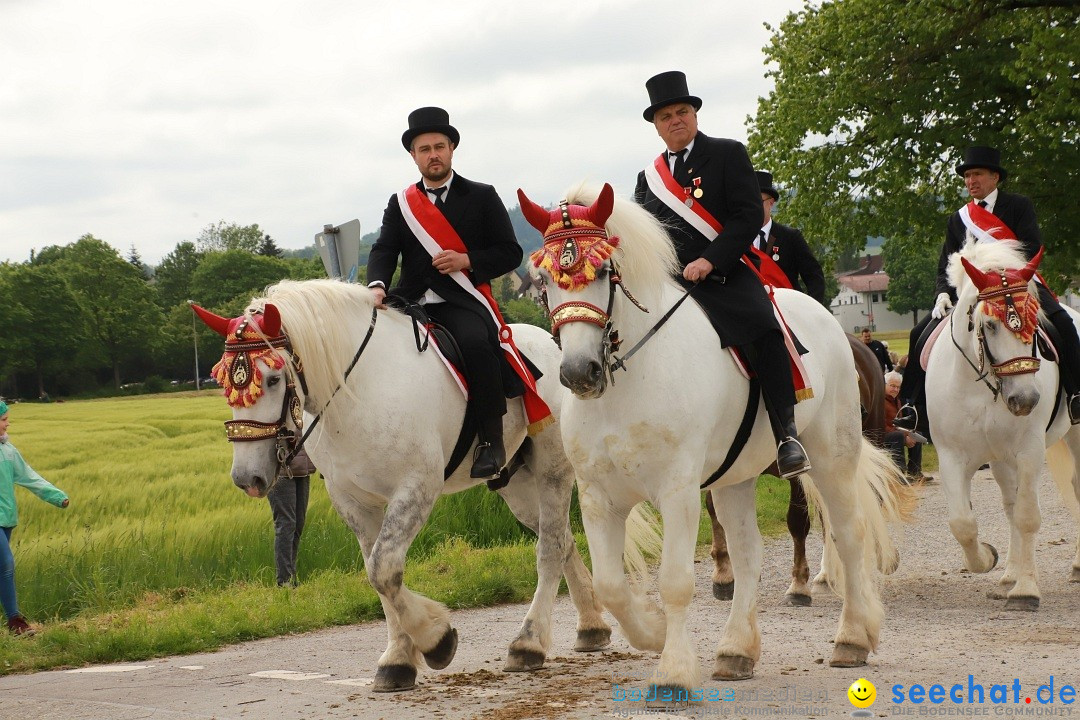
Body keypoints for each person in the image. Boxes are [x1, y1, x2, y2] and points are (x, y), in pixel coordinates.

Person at [633, 71, 810, 478]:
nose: (676, 119)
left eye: (682, 111)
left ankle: (787, 435)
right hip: (671, 284)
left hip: (724, 275)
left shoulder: (728, 153)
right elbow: (643, 235)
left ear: (694, 114)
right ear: (657, 126)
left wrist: (711, 260)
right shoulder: (648, 178)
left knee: (765, 328)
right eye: (666, 116)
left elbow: (748, 215)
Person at [366, 107, 532, 479]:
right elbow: (384, 250)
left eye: (439, 146)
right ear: (413, 155)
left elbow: (510, 251)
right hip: (409, 301)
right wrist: (377, 285)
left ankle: (492, 440)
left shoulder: (482, 195)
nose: (433, 154)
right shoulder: (401, 203)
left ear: (452, 148)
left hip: (461, 301)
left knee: (475, 344)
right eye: (424, 149)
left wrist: (466, 260)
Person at [897, 145, 1080, 430]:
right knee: (919, 333)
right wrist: (942, 292)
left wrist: (997, 266)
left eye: (977, 174)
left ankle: (1076, 393)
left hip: (1019, 284)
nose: (971, 181)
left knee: (1063, 323)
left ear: (995, 177)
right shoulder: (958, 219)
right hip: (975, 291)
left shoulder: (1018, 205)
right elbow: (947, 262)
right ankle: (913, 407)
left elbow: (1030, 247)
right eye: (967, 176)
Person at [0, 399, 69, 636]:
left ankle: (13, 622)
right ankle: (15, 621)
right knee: (6, 564)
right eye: (3, 420)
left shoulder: (9, 451)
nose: (7, 424)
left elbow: (30, 477)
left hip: (6, 518)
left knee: (2, 567)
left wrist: (57, 496)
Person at [754, 171, 826, 304]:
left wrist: (810, 310)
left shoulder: (790, 237)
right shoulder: (738, 239)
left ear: (771, 203)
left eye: (758, 201)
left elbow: (814, 277)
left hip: (787, 310)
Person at [268, 443, 314, 587]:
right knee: (286, 525)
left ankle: (291, 577)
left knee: (298, 525)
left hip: (302, 470)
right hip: (281, 470)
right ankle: (284, 581)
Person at [882, 372, 925, 483]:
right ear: (885, 385)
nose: (895, 389)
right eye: (892, 386)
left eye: (898, 387)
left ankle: (915, 472)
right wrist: (905, 436)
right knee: (898, 436)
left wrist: (909, 434)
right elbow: (882, 425)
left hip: (896, 433)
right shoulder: (879, 401)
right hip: (882, 435)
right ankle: (899, 474)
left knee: (917, 435)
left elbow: (899, 424)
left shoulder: (897, 400)